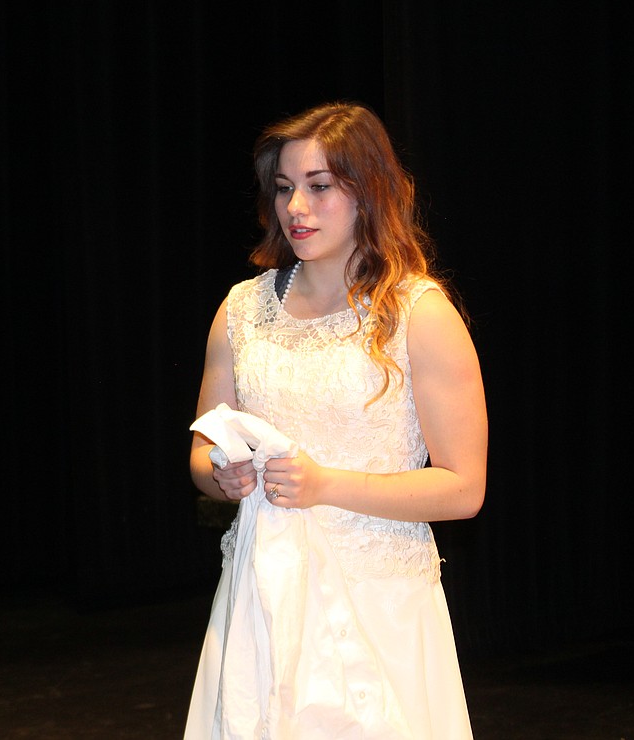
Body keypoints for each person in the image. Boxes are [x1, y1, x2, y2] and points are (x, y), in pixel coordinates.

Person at [183, 101, 486, 739]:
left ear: (370, 192)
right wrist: (222, 473)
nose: (297, 208)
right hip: (263, 599)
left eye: (320, 187)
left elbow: (464, 488)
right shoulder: (240, 311)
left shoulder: (419, 314)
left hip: (378, 604)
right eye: (286, 188)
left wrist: (325, 485)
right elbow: (202, 456)